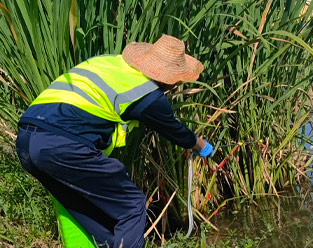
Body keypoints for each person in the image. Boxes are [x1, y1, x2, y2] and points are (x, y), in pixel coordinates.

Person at [15, 34, 214, 248]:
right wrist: (200, 144)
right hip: (62, 145)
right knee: (132, 206)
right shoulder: (149, 95)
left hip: (26, 139)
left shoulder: (107, 62)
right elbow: (175, 131)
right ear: (170, 78)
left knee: (93, 214)